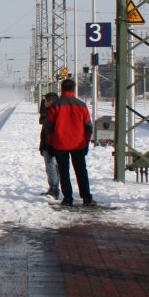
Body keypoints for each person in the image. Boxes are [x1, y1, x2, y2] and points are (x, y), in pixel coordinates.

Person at [44, 78, 94, 206]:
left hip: (60, 144)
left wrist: (50, 143)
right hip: (78, 144)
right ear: (73, 89)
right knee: (81, 170)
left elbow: (49, 127)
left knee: (64, 171)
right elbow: (88, 126)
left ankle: (67, 198)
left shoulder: (55, 106)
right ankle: (86, 198)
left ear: (62, 89)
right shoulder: (81, 105)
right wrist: (86, 142)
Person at [38, 92, 60, 198]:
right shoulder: (49, 112)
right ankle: (53, 188)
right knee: (51, 166)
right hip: (47, 142)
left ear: (51, 101)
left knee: (51, 165)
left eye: (46, 101)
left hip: (50, 143)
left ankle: (54, 189)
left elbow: (49, 130)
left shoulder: (53, 113)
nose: (44, 103)